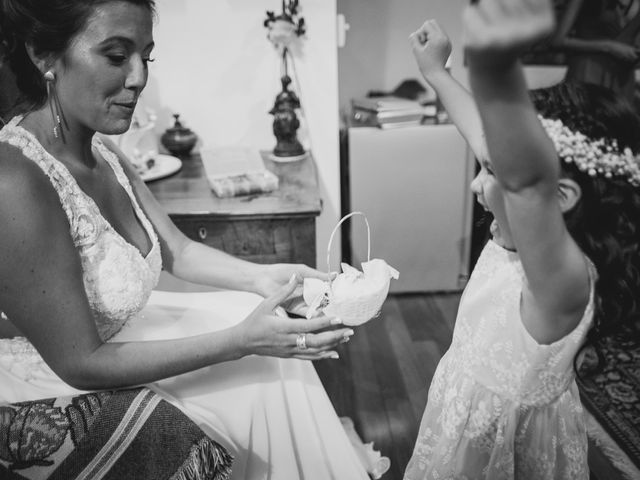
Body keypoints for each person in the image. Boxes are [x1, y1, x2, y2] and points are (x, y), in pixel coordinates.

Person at [0, 1, 370, 478]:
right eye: (116, 56)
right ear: (43, 55)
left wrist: (264, 278)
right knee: (256, 366)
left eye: (145, 57)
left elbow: (177, 248)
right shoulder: (16, 181)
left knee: (270, 346)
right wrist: (240, 341)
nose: (138, 78)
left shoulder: (102, 151)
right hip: (55, 380)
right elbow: (79, 362)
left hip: (112, 341)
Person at [405, 0, 640, 478]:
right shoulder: (523, 229)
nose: (475, 182)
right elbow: (489, 140)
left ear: (557, 195)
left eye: (493, 172)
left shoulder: (561, 284)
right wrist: (438, 72)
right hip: (460, 409)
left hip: (498, 447)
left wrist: (495, 65)